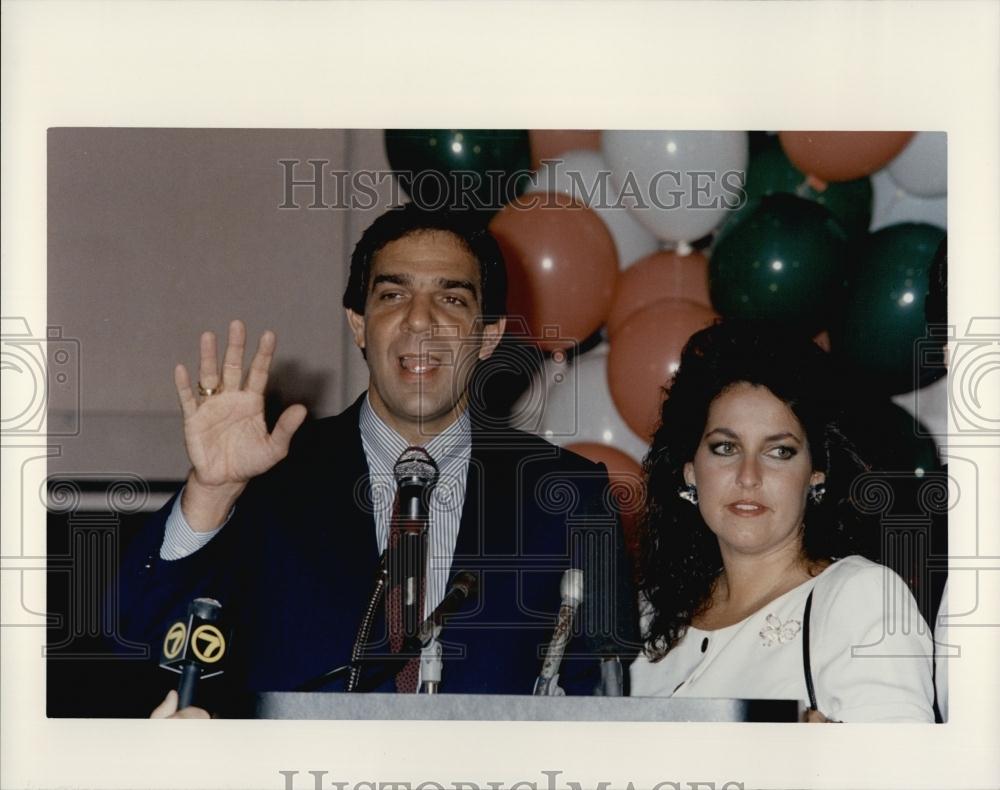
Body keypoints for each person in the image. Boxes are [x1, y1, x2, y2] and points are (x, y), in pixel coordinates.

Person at [118, 205, 637, 716]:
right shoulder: (268, 479)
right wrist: (212, 492)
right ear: (359, 324)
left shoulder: (571, 498)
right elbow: (138, 645)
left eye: (451, 299)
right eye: (393, 295)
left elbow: (604, 704)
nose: (420, 320)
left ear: (489, 336)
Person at [629, 320, 935, 722]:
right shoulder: (648, 613)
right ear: (690, 471)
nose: (748, 475)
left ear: (815, 476)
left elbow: (904, 775)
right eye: (725, 448)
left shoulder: (858, 599)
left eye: (779, 452)